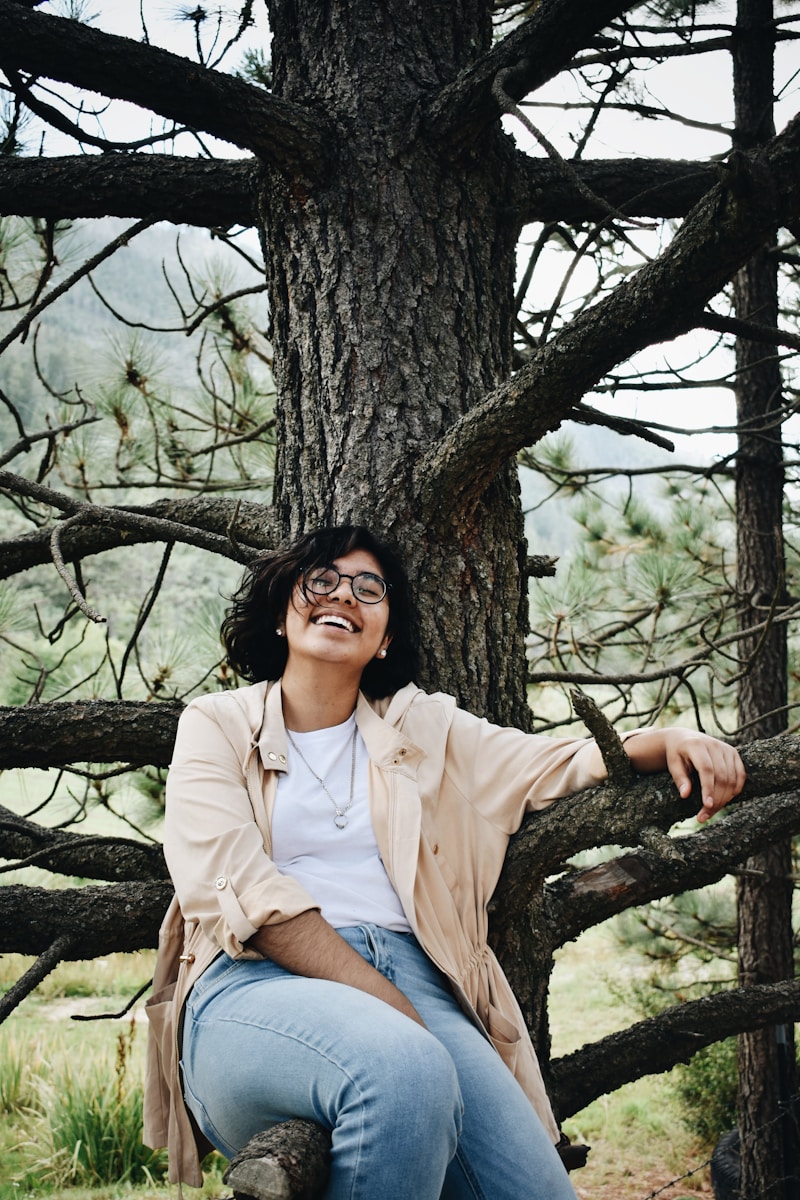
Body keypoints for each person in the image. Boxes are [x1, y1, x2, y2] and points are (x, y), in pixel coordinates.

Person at [143, 525, 746, 1199]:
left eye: (369, 588)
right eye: (321, 580)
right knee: (407, 1070)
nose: (344, 594)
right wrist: (392, 1009)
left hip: (421, 986)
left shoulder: (425, 729)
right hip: (253, 990)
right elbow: (245, 899)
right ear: (285, 609)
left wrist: (671, 737)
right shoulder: (218, 723)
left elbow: (552, 760)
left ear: (387, 635)